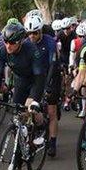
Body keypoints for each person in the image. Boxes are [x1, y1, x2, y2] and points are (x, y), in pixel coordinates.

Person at [0, 21, 48, 146]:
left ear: (20, 41)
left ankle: (42, 128)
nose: (8, 46)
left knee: (30, 108)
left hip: (35, 81)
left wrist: (35, 100)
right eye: (6, 42)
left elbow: (39, 76)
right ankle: (22, 143)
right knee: (17, 114)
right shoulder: (2, 51)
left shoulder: (31, 50)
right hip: (21, 81)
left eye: (12, 43)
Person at [25, 14, 61, 156]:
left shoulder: (49, 42)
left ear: (41, 31)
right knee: (29, 107)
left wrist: (47, 86)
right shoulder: (26, 43)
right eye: (29, 33)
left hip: (51, 75)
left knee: (51, 111)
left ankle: (52, 142)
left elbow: (53, 64)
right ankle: (37, 130)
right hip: (35, 77)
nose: (32, 36)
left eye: (35, 33)